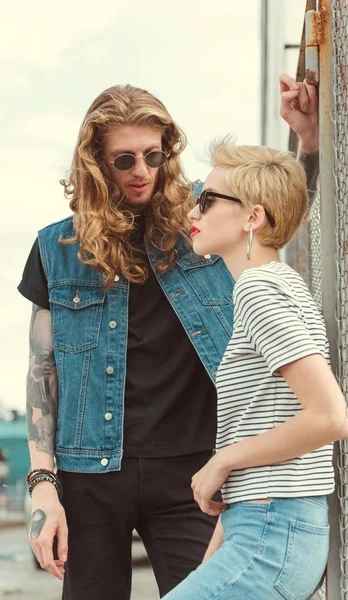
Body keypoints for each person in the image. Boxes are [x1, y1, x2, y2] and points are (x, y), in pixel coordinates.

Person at [18, 74, 320, 599]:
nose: (142, 172)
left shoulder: (206, 219)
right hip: (91, 472)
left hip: (193, 470)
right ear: (96, 163)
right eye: (125, 160)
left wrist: (307, 143)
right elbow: (42, 371)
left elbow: (275, 212)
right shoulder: (55, 248)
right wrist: (43, 485)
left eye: (153, 157)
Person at [162, 140, 348, 600]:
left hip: (274, 533)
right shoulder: (273, 285)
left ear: (253, 217)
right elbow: (264, 430)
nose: (194, 210)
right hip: (262, 529)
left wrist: (221, 461)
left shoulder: (259, 289)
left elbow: (330, 417)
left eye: (207, 200)